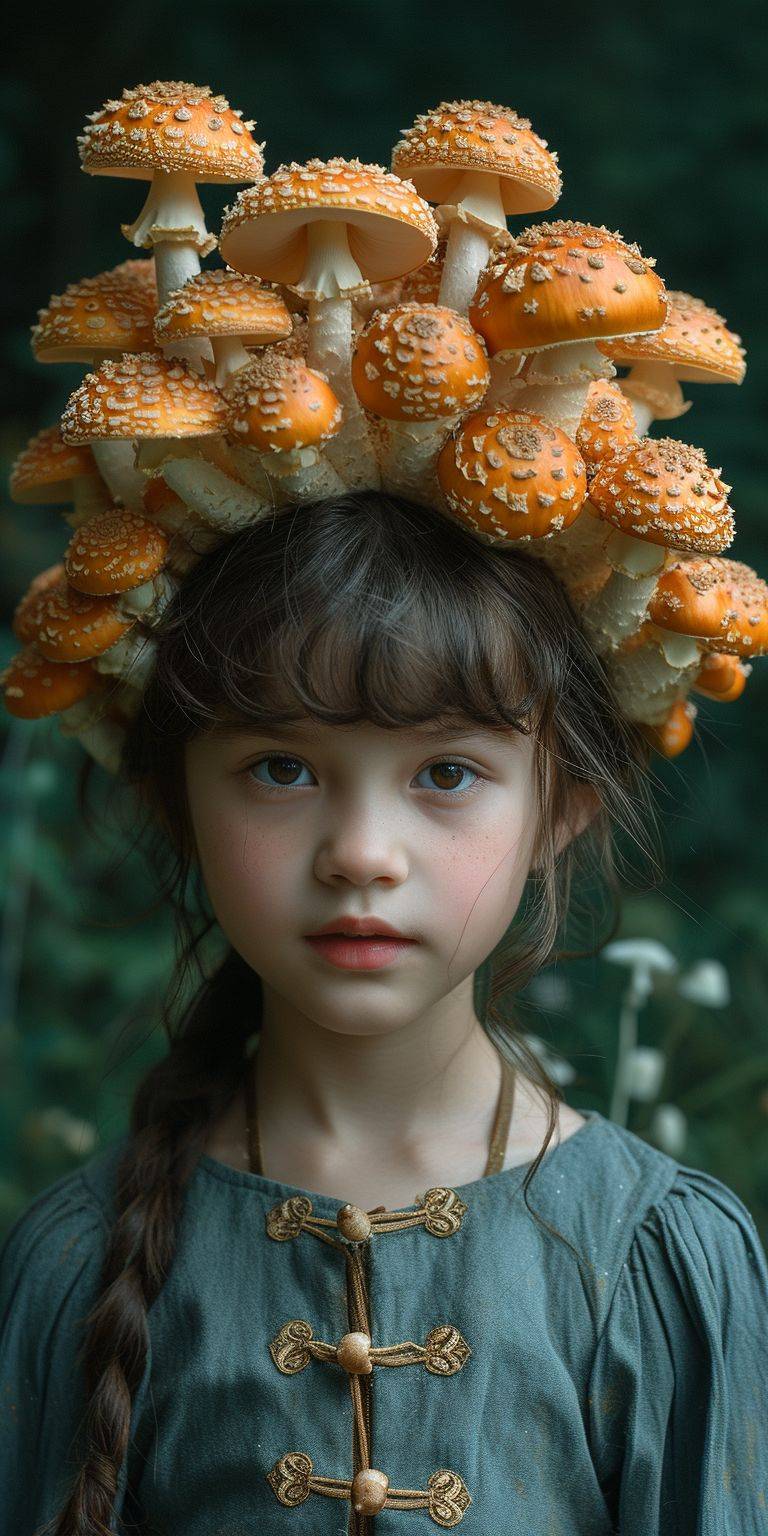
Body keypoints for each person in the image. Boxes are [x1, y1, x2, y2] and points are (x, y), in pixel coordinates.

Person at [1, 489, 767, 1535]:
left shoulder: (653, 1261)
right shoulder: (75, 1264)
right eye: (281, 768)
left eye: (447, 773)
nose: (361, 852)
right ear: (179, 804)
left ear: (561, 810)